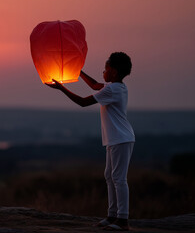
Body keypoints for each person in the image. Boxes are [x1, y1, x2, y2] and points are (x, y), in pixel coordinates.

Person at [46, 52, 135, 231]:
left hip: (121, 139)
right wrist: (77, 70)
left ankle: (123, 220)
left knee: (118, 178)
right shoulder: (117, 87)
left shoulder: (112, 89)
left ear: (114, 72)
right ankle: (112, 216)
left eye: (106, 68)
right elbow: (95, 85)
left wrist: (62, 88)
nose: (103, 71)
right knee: (110, 176)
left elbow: (83, 102)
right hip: (116, 138)